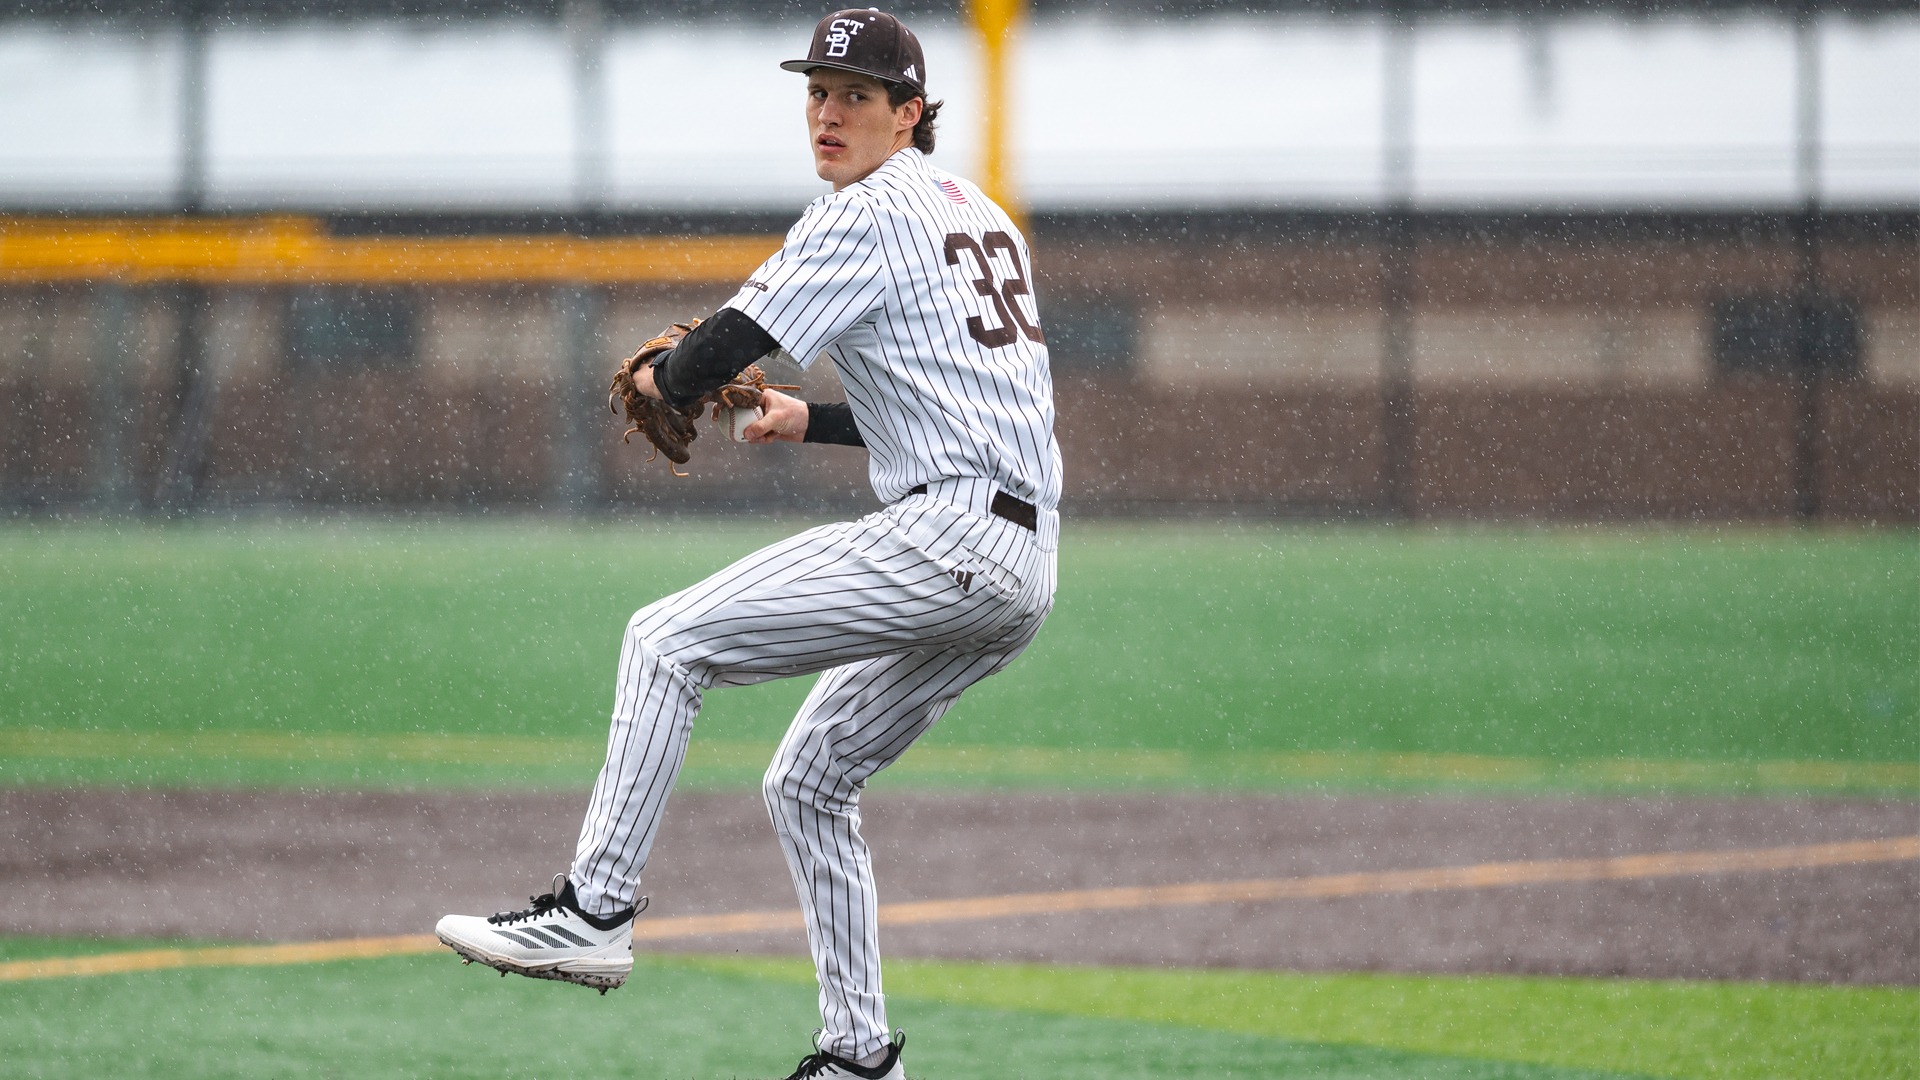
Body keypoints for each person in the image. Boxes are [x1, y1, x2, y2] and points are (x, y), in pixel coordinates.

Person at [434, 10, 1060, 1079]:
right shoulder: (982, 216)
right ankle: (859, 1057)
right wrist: (805, 421)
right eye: (817, 91)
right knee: (809, 782)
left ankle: (595, 911)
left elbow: (729, 339)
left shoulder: (867, 210)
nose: (828, 112)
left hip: (947, 535)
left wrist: (660, 381)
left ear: (910, 114)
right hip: (1021, 564)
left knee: (665, 641)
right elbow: (967, 410)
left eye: (857, 95)